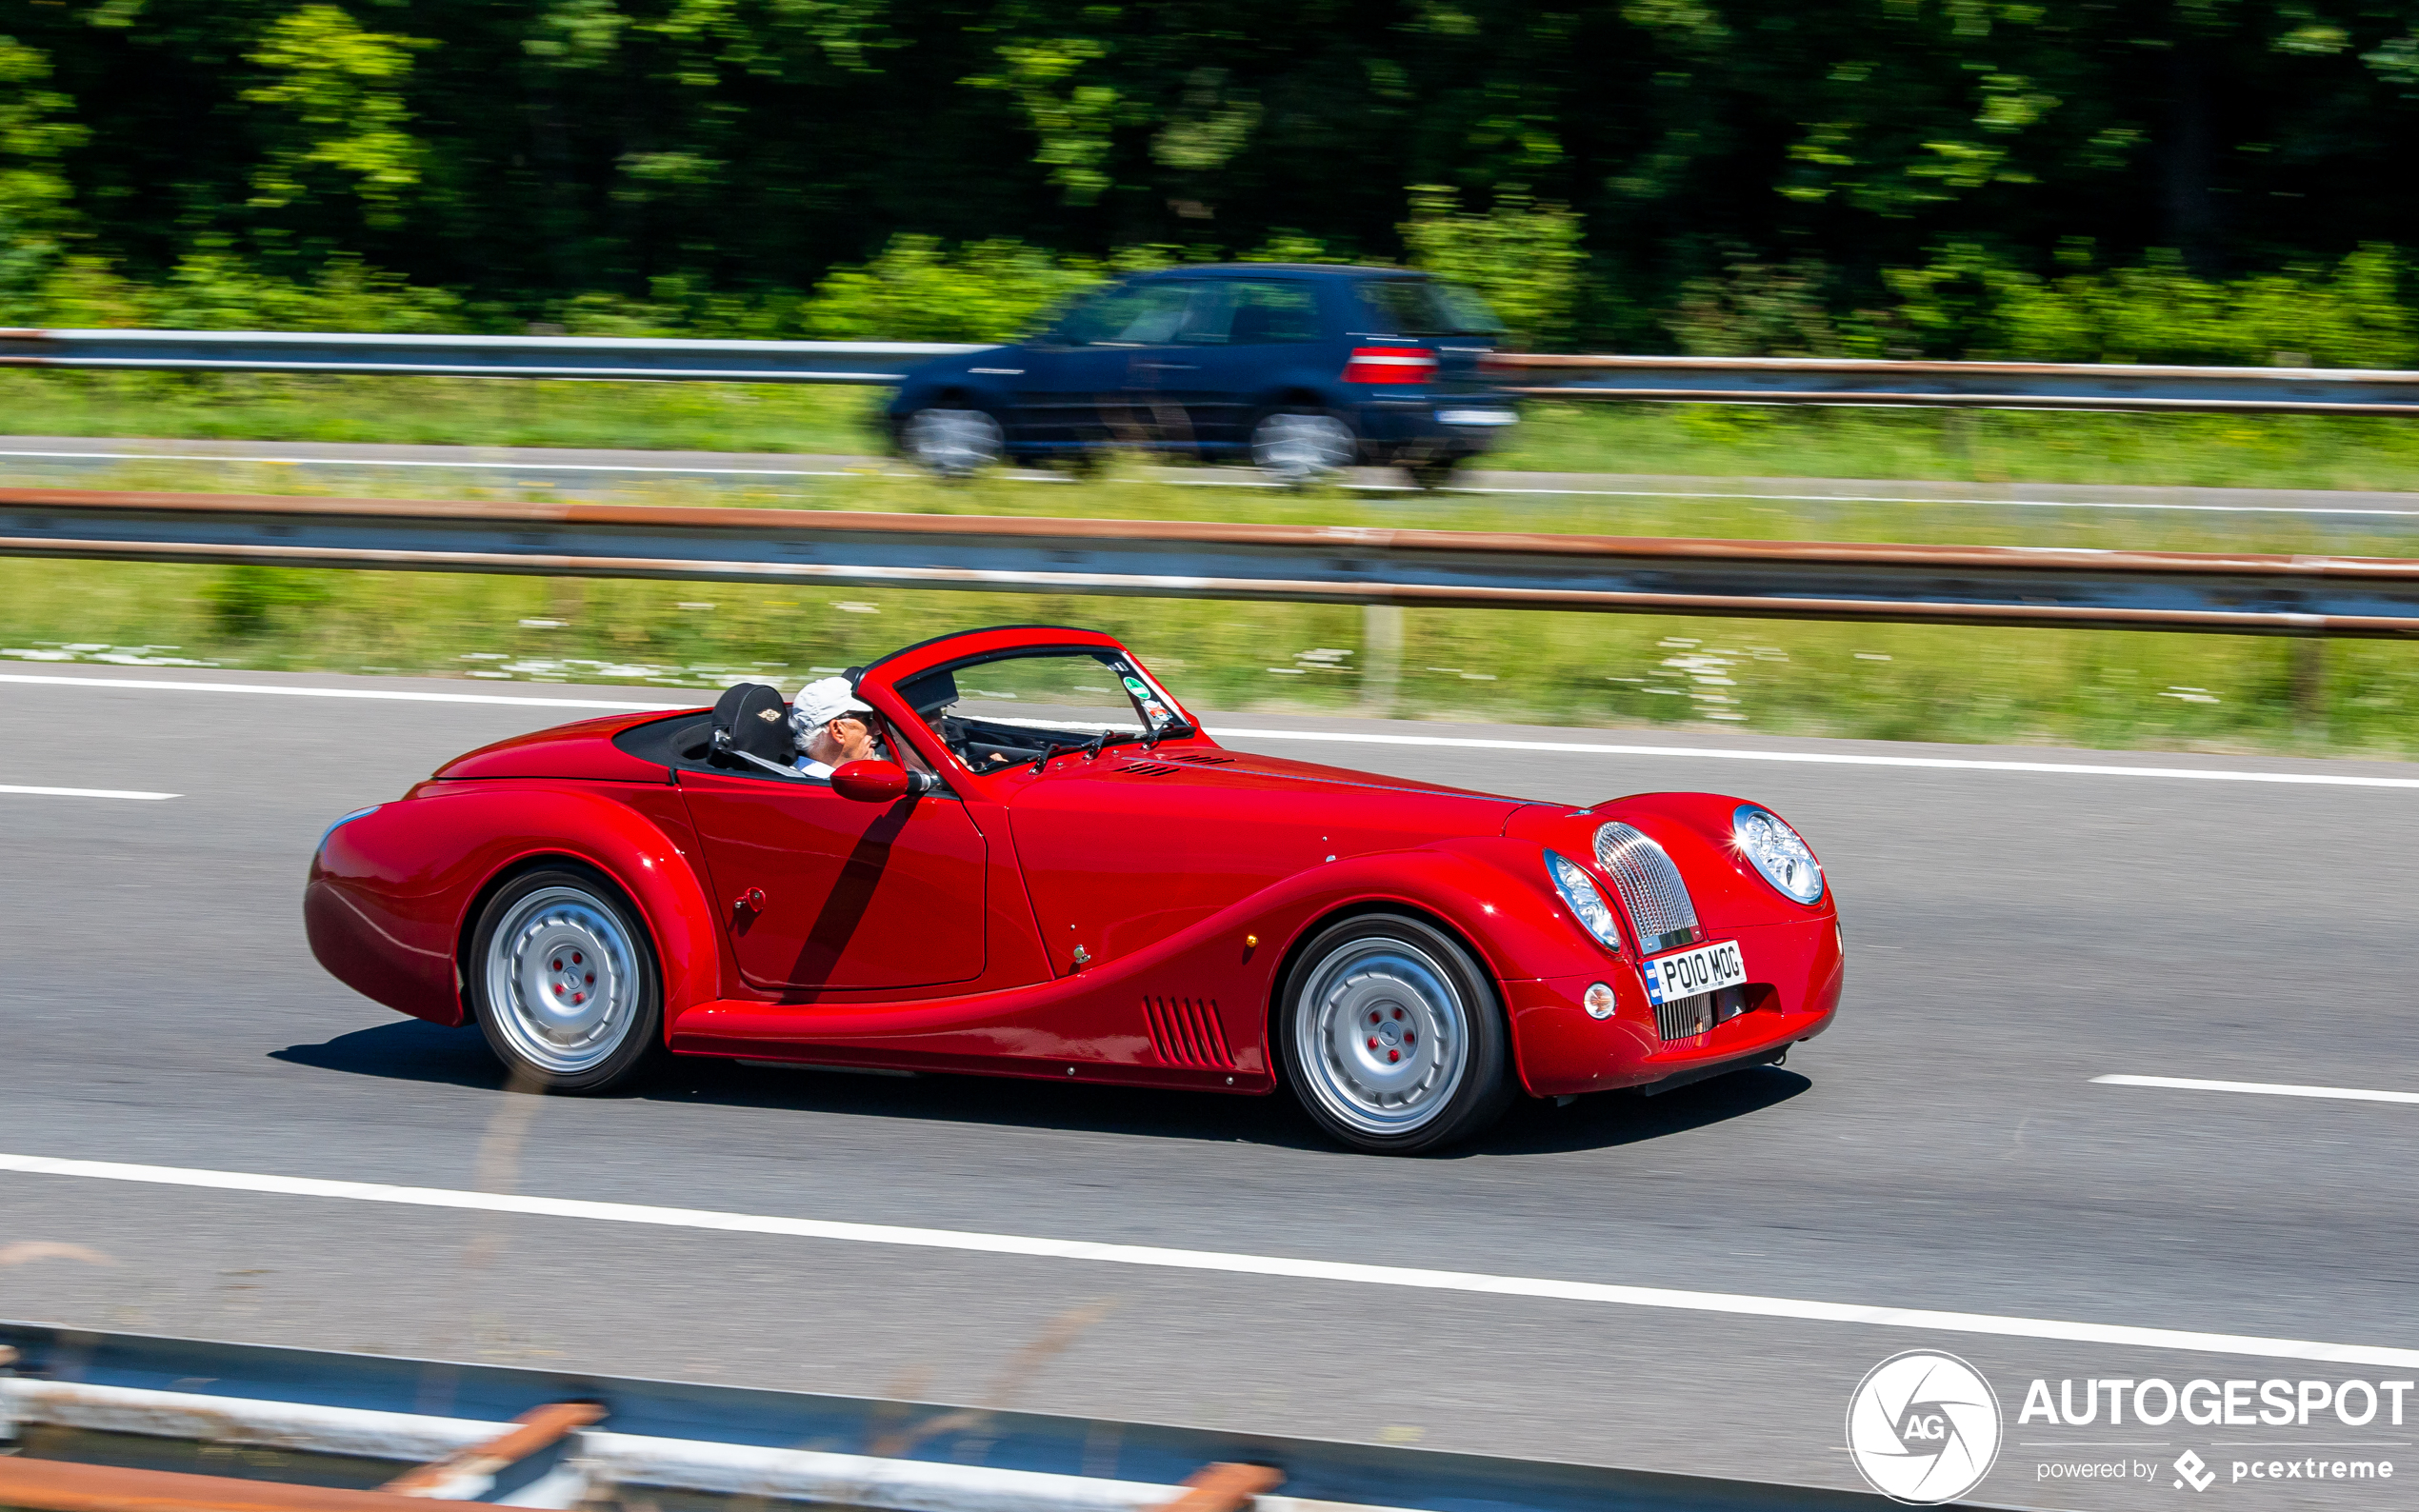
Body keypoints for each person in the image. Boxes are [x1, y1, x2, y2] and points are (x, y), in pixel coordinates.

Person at [790, 676, 885, 778]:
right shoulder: (823, 788)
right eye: (868, 719)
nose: (878, 729)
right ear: (837, 730)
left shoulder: (801, 780)